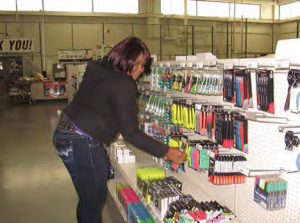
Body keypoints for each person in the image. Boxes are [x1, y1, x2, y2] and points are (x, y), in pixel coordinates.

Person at [53, 36, 187, 223]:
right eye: (137, 63)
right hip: (82, 141)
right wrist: (166, 151)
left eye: (144, 65)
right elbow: (131, 133)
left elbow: (101, 103)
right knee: (93, 201)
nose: (140, 69)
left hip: (65, 134)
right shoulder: (123, 83)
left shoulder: (98, 68)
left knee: (88, 199)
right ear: (125, 58)